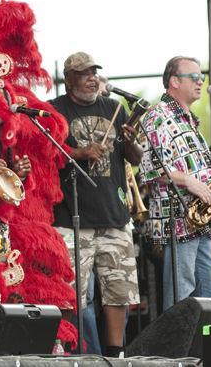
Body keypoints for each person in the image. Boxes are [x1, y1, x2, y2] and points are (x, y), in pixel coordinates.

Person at [50, 51, 142, 357]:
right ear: (68, 79)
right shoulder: (54, 111)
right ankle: (67, 350)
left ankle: (116, 353)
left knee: (118, 291)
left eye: (94, 72)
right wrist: (78, 153)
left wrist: (130, 142)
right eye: (84, 73)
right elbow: (45, 154)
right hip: (71, 216)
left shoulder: (114, 107)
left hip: (114, 215)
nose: (92, 78)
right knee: (69, 294)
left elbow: (135, 158)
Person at [139, 56, 211, 311]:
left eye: (201, 77)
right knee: (180, 292)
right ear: (174, 81)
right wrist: (191, 182)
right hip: (178, 218)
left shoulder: (188, 119)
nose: (200, 83)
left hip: (198, 217)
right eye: (194, 77)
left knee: (210, 283)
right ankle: (175, 349)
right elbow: (151, 167)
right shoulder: (158, 116)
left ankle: (201, 346)